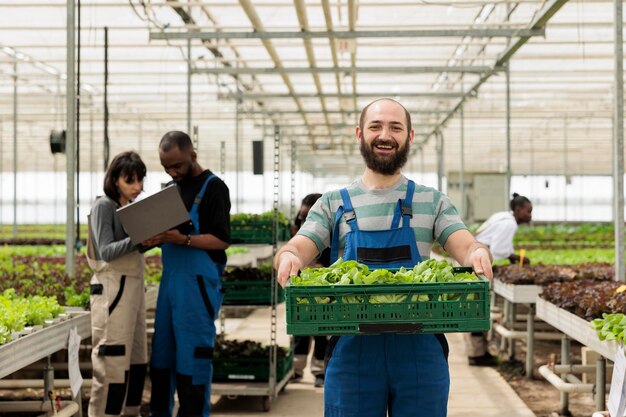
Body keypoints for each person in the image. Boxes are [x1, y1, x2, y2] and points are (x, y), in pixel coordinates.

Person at [274, 98, 493, 417]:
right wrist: (289, 256)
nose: (385, 135)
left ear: (410, 136)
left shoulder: (431, 201)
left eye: (395, 127)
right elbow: (298, 246)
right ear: (359, 134)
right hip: (353, 350)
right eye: (375, 126)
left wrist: (478, 253)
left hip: (420, 348)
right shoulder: (332, 203)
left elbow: (465, 244)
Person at [143, 131, 231, 417]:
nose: (172, 171)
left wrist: (182, 239)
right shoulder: (170, 189)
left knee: (193, 359)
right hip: (170, 284)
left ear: (192, 156)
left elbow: (221, 239)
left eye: (177, 165)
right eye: (166, 166)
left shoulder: (214, 188)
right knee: (162, 358)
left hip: (198, 286)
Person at [86, 151, 148, 417]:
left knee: (135, 358)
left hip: (131, 288)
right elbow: (107, 251)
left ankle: (129, 411)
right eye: (130, 180)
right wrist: (142, 237)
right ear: (114, 180)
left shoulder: (128, 208)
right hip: (113, 290)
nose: (137, 186)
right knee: (112, 358)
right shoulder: (105, 206)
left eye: (140, 180)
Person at [464, 193, 533, 366]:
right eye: (528, 211)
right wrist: (515, 257)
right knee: (476, 308)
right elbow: (499, 250)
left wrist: (511, 257)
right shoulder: (509, 223)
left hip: (472, 259)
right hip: (477, 264)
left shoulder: (502, 216)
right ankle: (476, 355)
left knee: (475, 307)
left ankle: (479, 352)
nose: (530, 215)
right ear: (518, 210)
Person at [290, 193, 330, 388]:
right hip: (301, 287)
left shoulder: (329, 229)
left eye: (308, 216)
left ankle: (319, 370)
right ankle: (296, 369)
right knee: (300, 330)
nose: (304, 220)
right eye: (302, 216)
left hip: (323, 289)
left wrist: (322, 268)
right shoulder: (297, 226)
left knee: (322, 331)